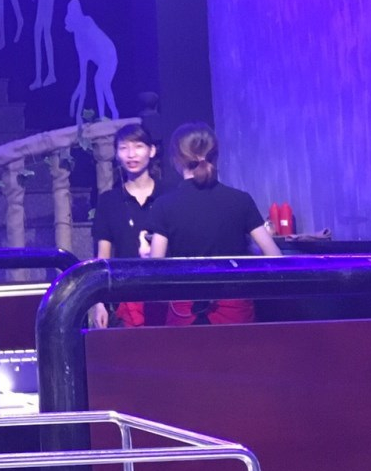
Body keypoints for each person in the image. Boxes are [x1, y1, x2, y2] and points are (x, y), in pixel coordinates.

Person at [145, 123, 282, 325]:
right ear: (215, 156)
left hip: (184, 317)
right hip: (235, 316)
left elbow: (155, 271)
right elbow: (275, 257)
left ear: (176, 159)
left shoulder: (164, 206)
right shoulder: (240, 200)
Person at [92, 123, 162, 327]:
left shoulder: (168, 196)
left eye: (138, 146)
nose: (131, 154)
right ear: (117, 154)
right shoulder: (109, 201)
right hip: (125, 298)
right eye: (124, 148)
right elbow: (103, 255)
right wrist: (99, 303)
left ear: (152, 151)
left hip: (166, 294)